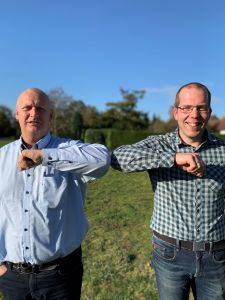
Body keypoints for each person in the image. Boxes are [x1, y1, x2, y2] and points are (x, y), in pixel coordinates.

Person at [111, 82, 225, 300]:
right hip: (170, 254)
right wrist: (172, 159)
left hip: (216, 256)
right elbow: (117, 158)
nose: (194, 115)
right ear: (175, 112)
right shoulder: (160, 145)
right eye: (187, 108)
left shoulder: (223, 151)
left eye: (201, 108)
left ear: (209, 112)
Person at [0, 88, 110, 300]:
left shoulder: (68, 150)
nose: (34, 113)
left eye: (40, 108)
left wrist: (44, 156)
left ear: (50, 115)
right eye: (27, 108)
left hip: (61, 276)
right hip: (12, 277)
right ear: (17, 114)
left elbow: (102, 160)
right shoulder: (2, 158)